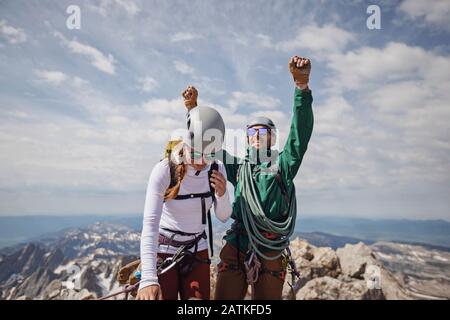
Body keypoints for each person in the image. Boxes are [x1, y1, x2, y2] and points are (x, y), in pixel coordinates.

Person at [181, 55, 314, 300]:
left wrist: (301, 89)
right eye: (251, 131)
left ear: (272, 138)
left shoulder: (283, 165)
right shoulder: (239, 166)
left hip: (270, 248)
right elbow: (210, 145)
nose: (255, 134)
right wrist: (193, 110)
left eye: (262, 130)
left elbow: (299, 136)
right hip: (238, 242)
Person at [136, 105, 232, 300]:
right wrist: (148, 279)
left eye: (210, 154)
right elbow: (150, 225)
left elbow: (223, 216)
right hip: (164, 250)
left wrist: (222, 195)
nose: (202, 162)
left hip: (197, 249)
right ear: (186, 144)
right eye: (197, 153)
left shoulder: (217, 168)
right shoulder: (164, 170)